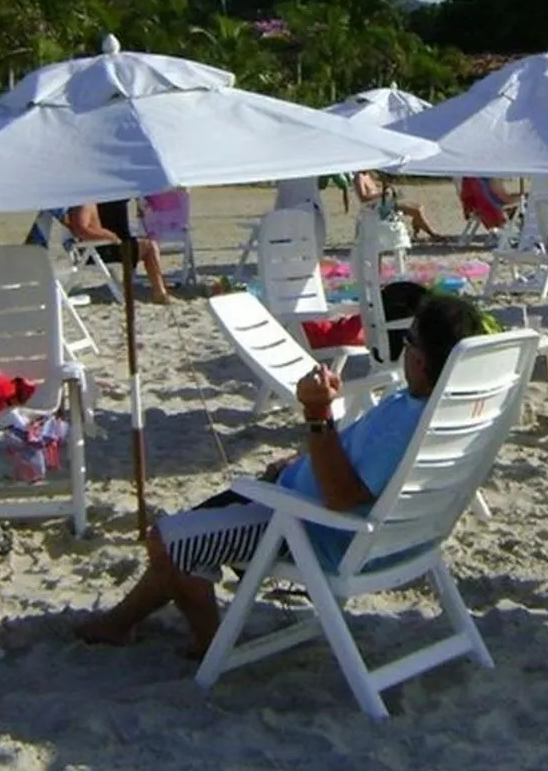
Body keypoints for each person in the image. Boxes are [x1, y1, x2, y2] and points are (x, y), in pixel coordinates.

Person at [78, 292, 488, 655]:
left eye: (409, 341)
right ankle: (118, 623)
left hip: (308, 528)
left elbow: (342, 497)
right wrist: (301, 463)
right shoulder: (439, 409)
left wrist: (316, 414)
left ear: (419, 359)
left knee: (167, 542)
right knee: (188, 530)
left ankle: (208, 643)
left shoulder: (405, 425)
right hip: (395, 535)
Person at [65, 199, 171, 303]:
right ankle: (159, 292)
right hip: (99, 250)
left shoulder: (89, 199)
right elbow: (81, 229)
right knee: (150, 247)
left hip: (103, 248)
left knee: (146, 244)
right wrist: (110, 236)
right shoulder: (85, 202)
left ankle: (157, 290)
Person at [352, 170, 442, 240]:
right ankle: (432, 233)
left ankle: (418, 225)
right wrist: (381, 194)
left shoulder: (368, 175)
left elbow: (377, 189)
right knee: (416, 210)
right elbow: (363, 198)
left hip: (383, 202)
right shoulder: (359, 177)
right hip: (376, 207)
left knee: (419, 206)